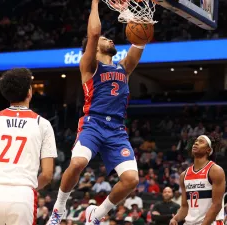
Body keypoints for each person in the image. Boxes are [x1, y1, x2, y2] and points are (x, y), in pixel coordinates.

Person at [47, 0, 149, 224]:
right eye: (106, 39)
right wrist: (95, 3)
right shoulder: (89, 66)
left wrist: (140, 19)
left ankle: (97, 214)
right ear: (93, 48)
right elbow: (93, 33)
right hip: (93, 123)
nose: (110, 39)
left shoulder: (124, 67)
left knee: (131, 180)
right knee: (77, 163)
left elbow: (141, 42)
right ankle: (59, 207)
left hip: (117, 129)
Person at [0, 68, 57, 225]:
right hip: (23, 194)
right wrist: (27, 188)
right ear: (29, 92)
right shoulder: (43, 124)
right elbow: (47, 174)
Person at [170, 134, 226, 225]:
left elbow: (217, 205)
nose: (196, 143)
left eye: (201, 142)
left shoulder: (215, 171)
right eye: (196, 141)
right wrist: (175, 219)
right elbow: (184, 207)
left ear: (209, 150)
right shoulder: (184, 175)